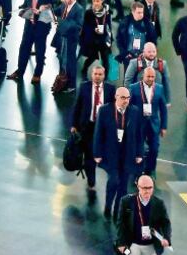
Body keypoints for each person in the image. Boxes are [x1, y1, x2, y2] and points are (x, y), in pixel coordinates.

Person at [93, 87, 144, 220]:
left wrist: (139, 153)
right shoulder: (104, 110)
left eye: (128, 98)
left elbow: (139, 134)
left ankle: (118, 210)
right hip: (111, 154)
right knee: (114, 180)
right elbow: (98, 133)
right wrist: (97, 153)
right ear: (116, 97)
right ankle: (108, 205)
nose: (126, 101)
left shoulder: (134, 111)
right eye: (123, 98)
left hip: (128, 154)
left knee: (123, 186)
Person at [71, 64, 116, 191]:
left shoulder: (110, 89)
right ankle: (91, 180)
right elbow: (77, 106)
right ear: (92, 75)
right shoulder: (84, 87)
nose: (97, 77)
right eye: (95, 74)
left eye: (100, 74)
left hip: (103, 128)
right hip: (87, 127)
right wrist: (74, 125)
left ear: (104, 75)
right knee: (89, 155)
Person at [7, 0, 54, 84]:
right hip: (29, 26)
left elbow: (53, 9)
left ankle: (37, 74)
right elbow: (26, 4)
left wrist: (44, 8)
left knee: (40, 51)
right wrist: (20, 10)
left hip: (41, 28)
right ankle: (20, 71)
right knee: (23, 48)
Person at [128, 67, 167, 177]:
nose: (150, 78)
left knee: (154, 148)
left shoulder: (159, 88)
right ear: (143, 76)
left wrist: (164, 126)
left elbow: (163, 109)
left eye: (152, 76)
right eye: (148, 76)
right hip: (138, 124)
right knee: (138, 149)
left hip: (153, 124)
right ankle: (137, 171)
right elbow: (129, 107)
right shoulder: (134, 88)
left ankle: (151, 170)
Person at [123, 42, 171, 109]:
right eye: (149, 52)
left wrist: (167, 101)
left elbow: (167, 83)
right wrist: (127, 98)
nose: (152, 54)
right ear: (143, 52)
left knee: (155, 118)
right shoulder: (134, 63)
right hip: (139, 98)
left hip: (155, 98)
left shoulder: (162, 64)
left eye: (154, 51)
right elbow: (128, 81)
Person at [53, 0, 83, 93]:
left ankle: (71, 85)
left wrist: (62, 22)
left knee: (70, 61)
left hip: (71, 39)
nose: (64, 0)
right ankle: (63, 81)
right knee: (62, 59)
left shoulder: (79, 9)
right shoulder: (64, 4)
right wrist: (48, 9)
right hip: (62, 37)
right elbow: (57, 11)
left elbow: (78, 25)